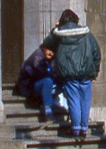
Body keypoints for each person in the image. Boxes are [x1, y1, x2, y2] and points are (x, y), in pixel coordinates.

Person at [49, 9, 101, 139]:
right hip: (86, 73)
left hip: (69, 74)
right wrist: (95, 72)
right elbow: (96, 53)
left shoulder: (58, 34)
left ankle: (76, 129)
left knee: (74, 101)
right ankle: (84, 129)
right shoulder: (86, 33)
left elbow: (49, 45)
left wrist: (56, 27)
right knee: (85, 101)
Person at [14, 37, 58, 123]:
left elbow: (55, 74)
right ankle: (48, 112)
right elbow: (39, 74)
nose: (51, 53)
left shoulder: (51, 59)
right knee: (48, 81)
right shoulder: (38, 56)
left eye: (53, 51)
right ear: (44, 48)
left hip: (40, 85)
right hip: (29, 87)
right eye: (49, 50)